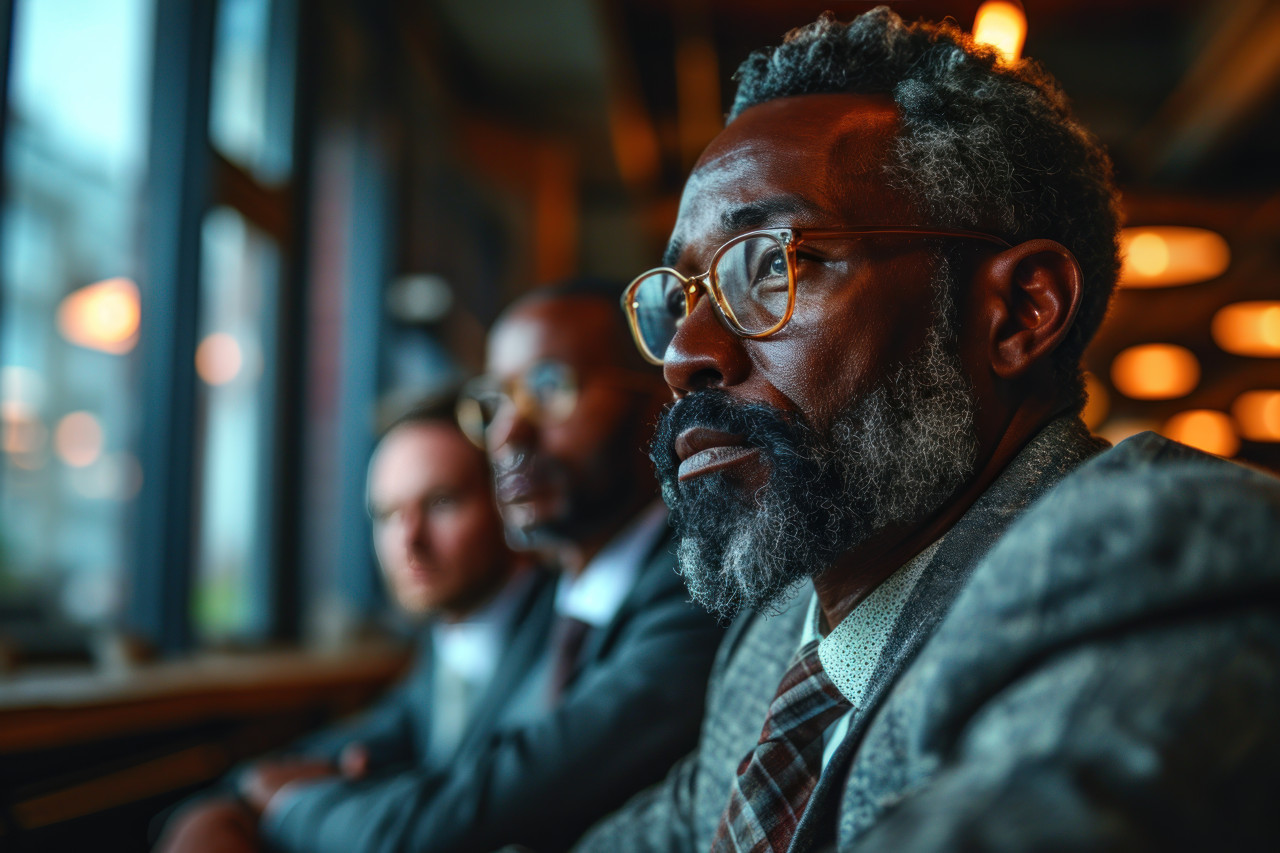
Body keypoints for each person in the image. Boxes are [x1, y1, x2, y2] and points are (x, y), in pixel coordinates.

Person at [577, 8, 1280, 853]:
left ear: (1020, 312)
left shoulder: (1154, 563)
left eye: (770, 265)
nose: (686, 353)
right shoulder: (776, 640)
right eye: (681, 295)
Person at [232, 280, 725, 853]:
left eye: (549, 386)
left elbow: (454, 820)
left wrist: (286, 803)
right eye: (494, 403)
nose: (508, 433)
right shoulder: (556, 606)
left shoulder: (698, 587)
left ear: (659, 397)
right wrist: (228, 804)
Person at [157, 398, 550, 851]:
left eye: (441, 503)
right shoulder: (445, 651)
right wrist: (224, 810)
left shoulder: (569, 637)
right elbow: (302, 763)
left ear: (511, 499)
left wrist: (285, 801)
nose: (409, 541)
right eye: (386, 515)